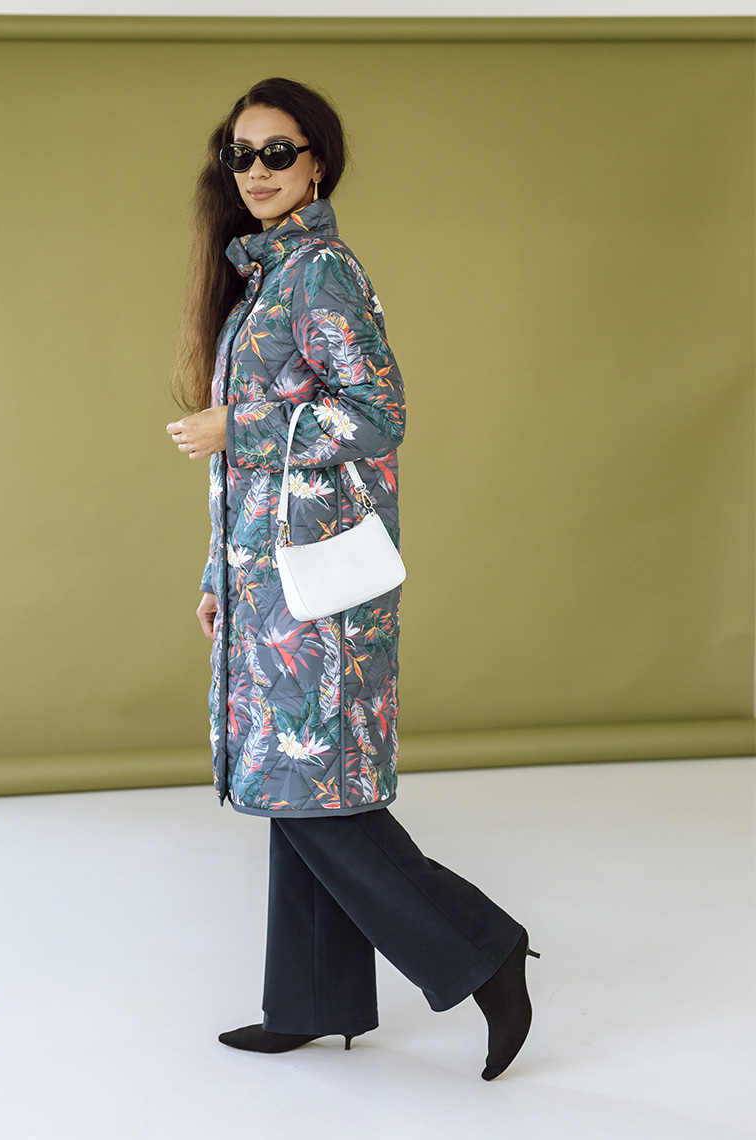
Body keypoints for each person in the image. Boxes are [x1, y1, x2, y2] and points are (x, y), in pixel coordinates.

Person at [166, 77, 539, 1079]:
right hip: (267, 579)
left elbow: (377, 416)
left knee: (315, 788)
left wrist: (237, 424)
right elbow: (251, 480)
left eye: (276, 153)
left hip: (320, 588)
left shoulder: (322, 273)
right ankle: (313, 999)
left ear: (316, 163)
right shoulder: (264, 277)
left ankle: (483, 950)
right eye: (239, 155)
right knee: (298, 788)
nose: (255, 172)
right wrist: (218, 574)